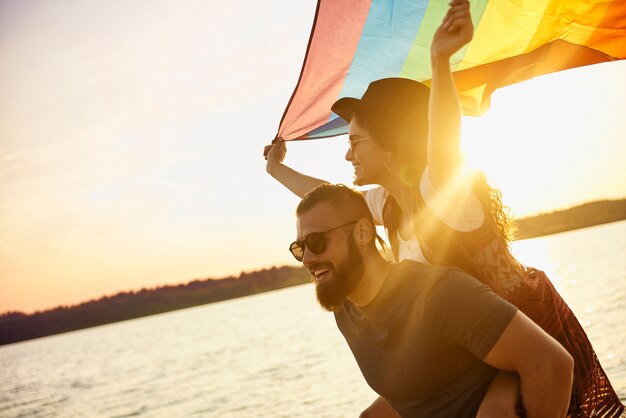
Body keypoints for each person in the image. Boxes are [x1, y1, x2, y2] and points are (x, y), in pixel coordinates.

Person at [266, 1, 625, 417]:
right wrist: (277, 168)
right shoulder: (390, 206)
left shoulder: (439, 190)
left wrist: (441, 61)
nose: (348, 155)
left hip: (521, 341)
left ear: (391, 141)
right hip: (470, 352)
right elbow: (329, 204)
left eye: (355, 142)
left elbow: (444, 137)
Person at [291, 183, 574, 418]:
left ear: (363, 233)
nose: (307, 258)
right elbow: (418, 389)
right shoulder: (346, 310)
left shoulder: (438, 292)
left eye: (317, 242)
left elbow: (552, 364)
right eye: (299, 247)